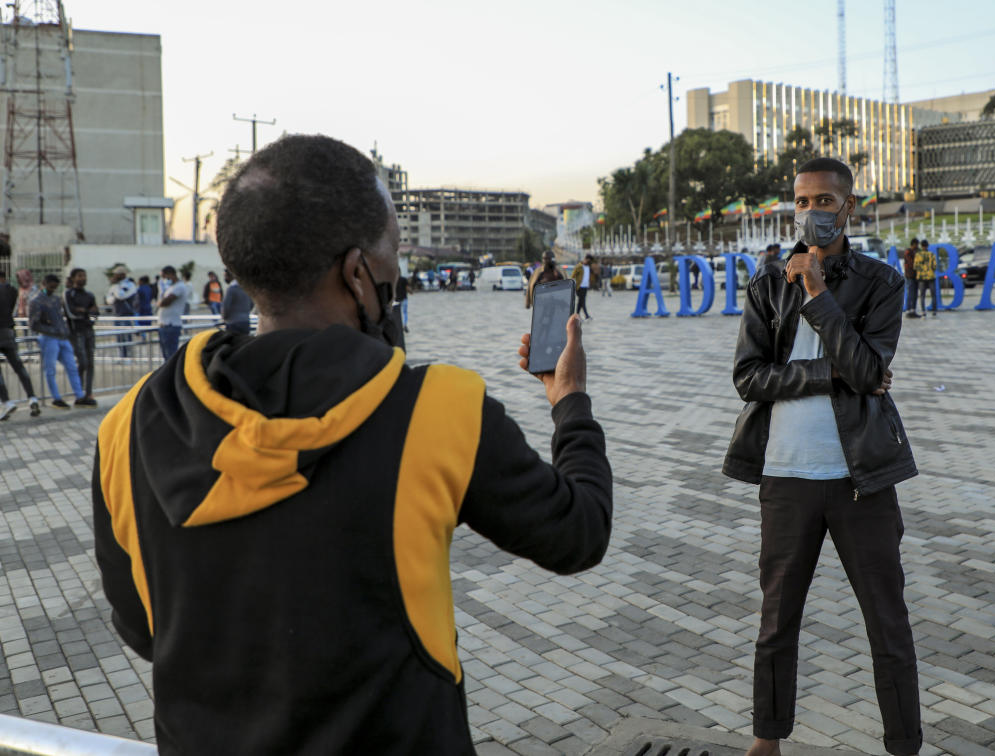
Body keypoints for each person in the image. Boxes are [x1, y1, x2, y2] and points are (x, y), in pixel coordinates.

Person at [91, 134, 612, 754]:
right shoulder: (437, 410)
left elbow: (144, 626)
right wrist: (569, 400)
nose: (400, 270)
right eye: (393, 249)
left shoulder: (127, 427)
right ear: (357, 271)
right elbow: (578, 532)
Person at [724, 157, 921, 756]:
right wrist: (824, 371)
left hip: (861, 476)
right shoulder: (765, 284)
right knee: (776, 622)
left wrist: (816, 293)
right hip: (786, 475)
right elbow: (748, 377)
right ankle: (767, 740)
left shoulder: (882, 282)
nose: (812, 213)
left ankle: (904, 744)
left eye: (824, 202)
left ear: (849, 206)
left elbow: (867, 370)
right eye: (802, 202)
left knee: (887, 620)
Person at [28, 274, 91, 408]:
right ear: (44, 283)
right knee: (50, 370)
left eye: (55, 287)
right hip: (49, 338)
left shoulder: (56, 299)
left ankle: (79, 396)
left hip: (62, 337)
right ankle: (56, 397)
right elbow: (34, 324)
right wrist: (52, 330)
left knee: (72, 367)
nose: (52, 290)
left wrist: (63, 330)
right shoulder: (36, 301)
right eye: (50, 287)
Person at [0, 269, 40, 419]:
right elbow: (11, 309)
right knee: (19, 367)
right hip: (8, 331)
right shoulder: (11, 290)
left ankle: (6, 402)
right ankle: (32, 397)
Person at [63, 268, 100, 401]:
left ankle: (88, 393)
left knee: (90, 363)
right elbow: (72, 313)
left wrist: (84, 311)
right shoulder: (68, 294)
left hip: (89, 331)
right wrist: (86, 311)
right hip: (76, 332)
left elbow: (96, 313)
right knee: (82, 362)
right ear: (73, 278)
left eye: (84, 276)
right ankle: (79, 392)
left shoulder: (89, 295)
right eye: (79, 276)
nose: (83, 278)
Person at [156, 265, 192, 361]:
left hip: (171, 325)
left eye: (164, 276)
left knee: (170, 356)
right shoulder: (171, 287)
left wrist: (160, 300)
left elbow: (164, 302)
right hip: (164, 324)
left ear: (171, 275)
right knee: (166, 356)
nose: (163, 279)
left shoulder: (179, 287)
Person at [106, 266, 139, 358]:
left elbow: (121, 296)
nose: (114, 276)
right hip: (117, 314)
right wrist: (114, 295)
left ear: (122, 275)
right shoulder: (115, 286)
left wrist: (116, 289)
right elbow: (109, 299)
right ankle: (122, 355)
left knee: (126, 336)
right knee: (119, 337)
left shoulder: (130, 285)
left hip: (126, 314)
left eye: (116, 274)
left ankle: (128, 356)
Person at [220, 269, 254, 335]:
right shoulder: (246, 287)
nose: (225, 278)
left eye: (226, 276)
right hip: (246, 322)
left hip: (233, 323)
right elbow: (252, 303)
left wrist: (224, 317)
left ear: (230, 276)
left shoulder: (231, 289)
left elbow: (226, 306)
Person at [914, 239, 937, 318]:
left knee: (922, 295)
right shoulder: (931, 255)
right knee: (933, 295)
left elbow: (915, 266)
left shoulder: (918, 255)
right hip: (930, 276)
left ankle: (923, 311)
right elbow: (934, 266)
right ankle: (934, 311)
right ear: (927, 246)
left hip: (921, 277)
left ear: (921, 246)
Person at [571, 254, 593, 319]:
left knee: (581, 302)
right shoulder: (579, 266)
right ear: (585, 259)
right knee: (582, 301)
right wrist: (573, 285)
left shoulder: (588, 267)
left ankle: (577, 315)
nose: (589, 262)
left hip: (585, 286)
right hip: (580, 287)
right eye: (588, 261)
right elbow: (573, 276)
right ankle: (586, 315)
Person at [902, 238, 919, 319]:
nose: (917, 246)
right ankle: (909, 310)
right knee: (910, 293)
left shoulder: (915, 252)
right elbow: (911, 263)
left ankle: (913, 310)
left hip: (916, 275)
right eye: (916, 244)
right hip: (910, 275)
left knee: (915, 293)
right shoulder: (908, 252)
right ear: (913, 244)